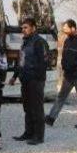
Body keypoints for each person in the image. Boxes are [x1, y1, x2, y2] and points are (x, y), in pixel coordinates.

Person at [45, 19, 77, 128]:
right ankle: (51, 118)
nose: (64, 31)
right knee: (61, 97)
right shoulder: (67, 41)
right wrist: (64, 65)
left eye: (66, 29)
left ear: (73, 28)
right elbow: (64, 56)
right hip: (68, 76)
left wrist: (75, 65)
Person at [9, 17, 49, 145]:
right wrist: (14, 76)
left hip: (35, 81)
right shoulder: (24, 42)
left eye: (25, 27)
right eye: (22, 28)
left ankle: (39, 136)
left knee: (37, 108)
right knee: (27, 108)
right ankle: (28, 132)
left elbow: (44, 63)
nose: (23, 30)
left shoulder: (40, 42)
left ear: (33, 28)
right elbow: (20, 61)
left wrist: (37, 78)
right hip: (25, 80)